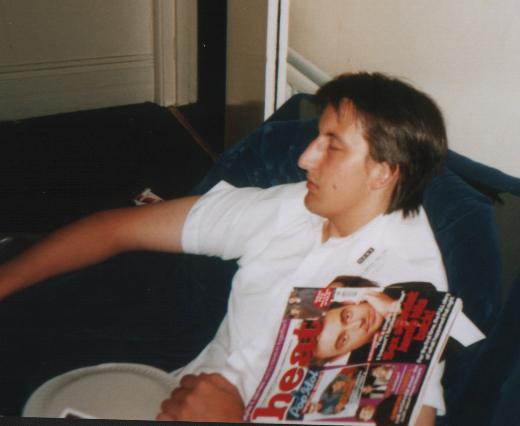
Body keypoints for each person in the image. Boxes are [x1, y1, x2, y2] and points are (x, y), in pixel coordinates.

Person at [0, 72, 447, 424]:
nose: (304, 158)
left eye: (332, 146)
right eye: (317, 137)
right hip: (178, 397)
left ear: (383, 172)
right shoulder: (296, 207)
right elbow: (119, 228)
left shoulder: (412, 289)